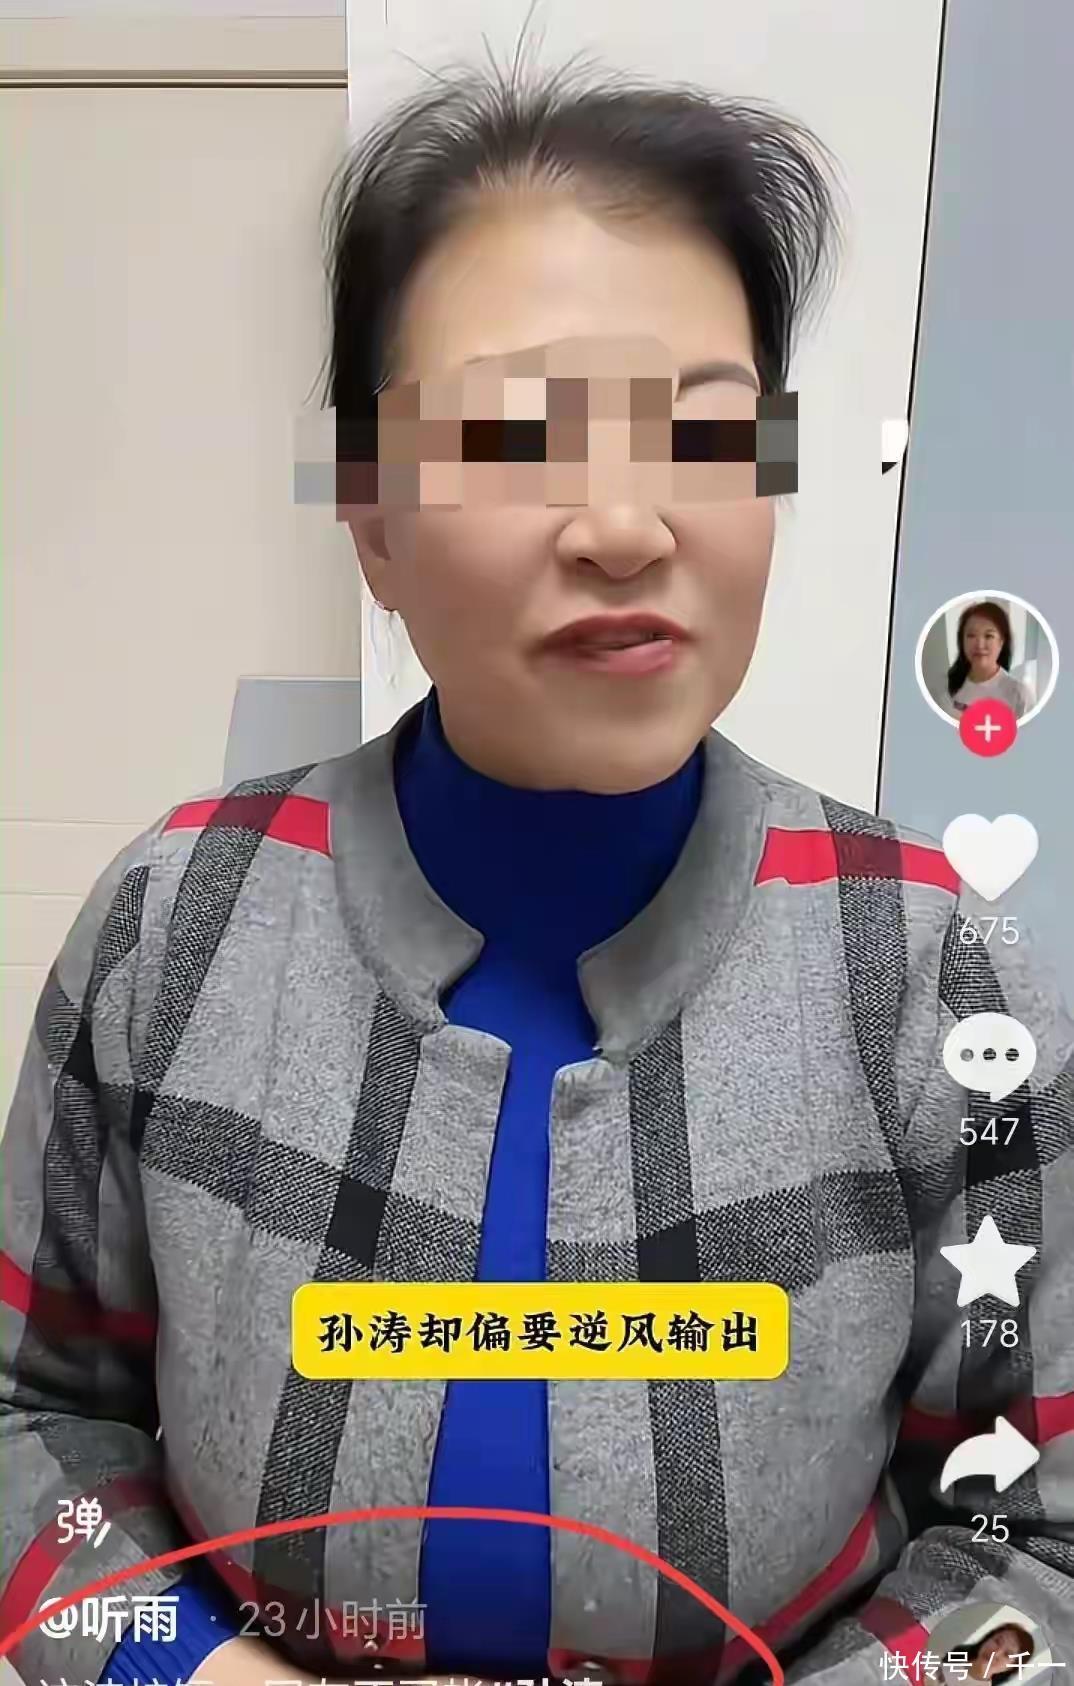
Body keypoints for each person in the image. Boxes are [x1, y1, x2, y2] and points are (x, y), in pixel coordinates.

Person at [2, 56, 1073, 1686]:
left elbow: (1035, 1540)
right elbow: (28, 1421)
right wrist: (190, 1674)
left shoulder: (940, 977)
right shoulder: (178, 923)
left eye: (703, 434)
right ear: (369, 510)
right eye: (515, 435)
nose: (624, 527)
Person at [942, 600, 1035, 719]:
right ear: (962, 641)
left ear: (1001, 642)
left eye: (989, 636)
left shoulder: (1019, 695)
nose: (980, 645)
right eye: (971, 635)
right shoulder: (946, 685)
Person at [941, 1623, 1036, 1686]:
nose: (996, 1652)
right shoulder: (955, 1655)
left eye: (1007, 1654)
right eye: (997, 1641)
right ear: (988, 1638)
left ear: (1010, 1668)